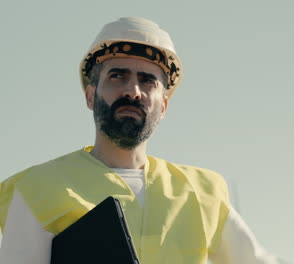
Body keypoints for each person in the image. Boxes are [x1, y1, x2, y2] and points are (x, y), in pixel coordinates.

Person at [0, 17, 278, 264]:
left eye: (147, 81)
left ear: (164, 106)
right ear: (90, 96)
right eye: (117, 76)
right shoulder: (37, 189)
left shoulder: (202, 192)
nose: (133, 91)